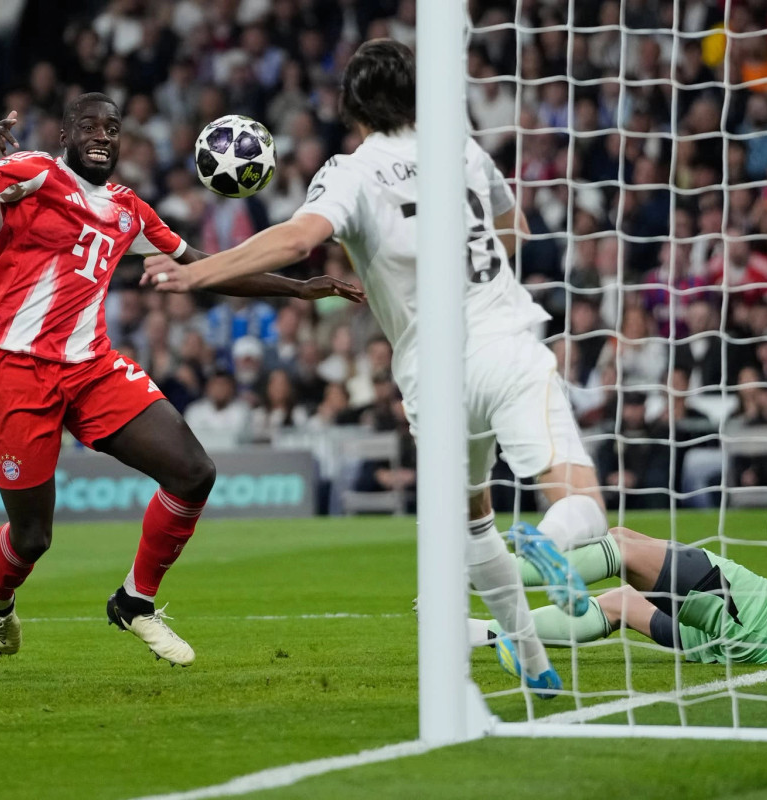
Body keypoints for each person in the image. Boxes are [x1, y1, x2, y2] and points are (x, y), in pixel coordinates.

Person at [140, 40, 610, 696]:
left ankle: (532, 660)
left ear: (351, 107)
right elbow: (515, 226)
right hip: (505, 340)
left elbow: (297, 240)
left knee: (472, 520)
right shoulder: (463, 149)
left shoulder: (350, 171)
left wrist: (197, 273)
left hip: (433, 369)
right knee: (580, 501)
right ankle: (550, 547)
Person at [0, 93, 362, 666]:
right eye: (89, 125)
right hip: (17, 371)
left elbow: (204, 267)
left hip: (91, 368)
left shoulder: (128, 209)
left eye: (112, 128)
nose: (102, 135)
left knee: (193, 473)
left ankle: (135, 600)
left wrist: (298, 287)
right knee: (32, 537)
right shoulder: (33, 172)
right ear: (65, 134)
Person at [475, 420, 767, 667]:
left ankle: (487, 573)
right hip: (751, 641)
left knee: (621, 545)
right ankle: (488, 634)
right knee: (624, 602)